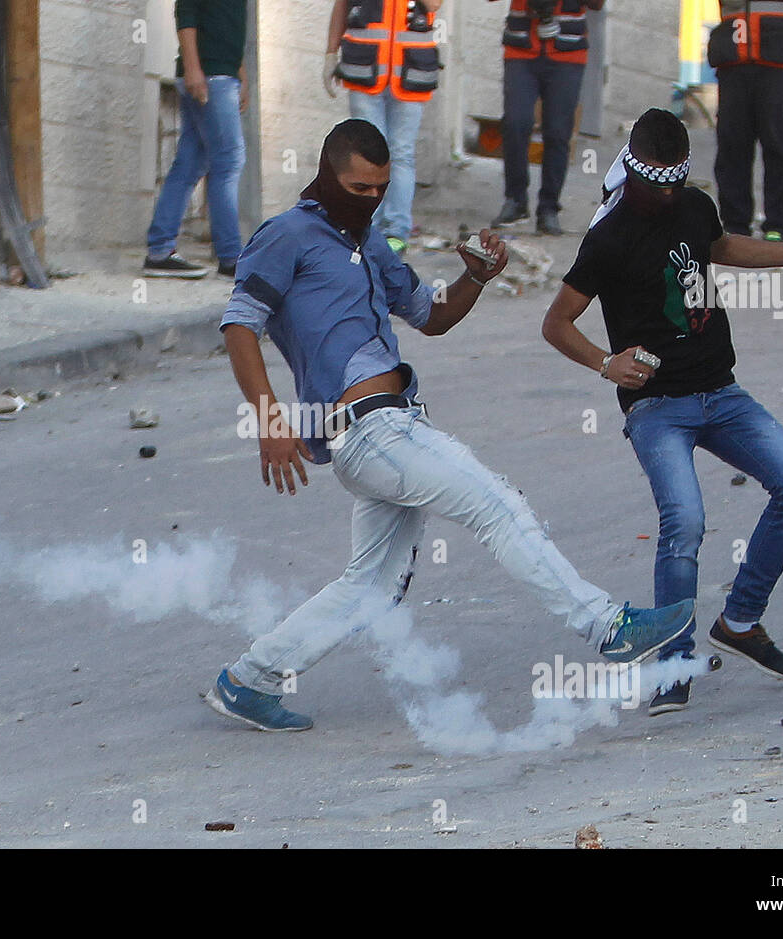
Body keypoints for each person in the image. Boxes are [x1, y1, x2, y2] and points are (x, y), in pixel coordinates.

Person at [205, 119, 696, 732]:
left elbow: (431, 317)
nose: (371, 199)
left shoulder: (369, 242)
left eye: (381, 188)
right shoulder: (286, 235)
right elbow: (239, 324)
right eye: (358, 187)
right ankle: (609, 627)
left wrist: (475, 276)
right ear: (326, 175)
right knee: (499, 506)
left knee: (373, 587)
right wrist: (269, 418)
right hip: (372, 432)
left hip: (389, 428)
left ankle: (249, 680)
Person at [542, 108, 783, 714]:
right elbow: (556, 322)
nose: (664, 195)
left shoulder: (692, 205)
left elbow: (722, 247)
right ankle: (672, 664)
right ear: (632, 170)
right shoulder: (607, 237)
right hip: (656, 406)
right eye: (653, 183)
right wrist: (606, 364)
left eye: (673, 182)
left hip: (721, 392)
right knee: (684, 522)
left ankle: (740, 622)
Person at [326, 0, 444, 257]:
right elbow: (342, 7)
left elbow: (434, 5)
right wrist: (329, 54)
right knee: (365, 156)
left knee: (400, 153)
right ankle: (364, 226)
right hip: (364, 70)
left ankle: (396, 231)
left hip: (410, 72)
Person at [143, 0, 249, 279]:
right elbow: (186, 10)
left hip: (221, 75)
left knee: (190, 163)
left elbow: (231, 23)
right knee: (228, 161)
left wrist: (241, 74)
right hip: (209, 76)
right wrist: (192, 69)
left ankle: (159, 251)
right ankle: (231, 258)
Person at [489, 0, 605, 236]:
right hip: (521, 48)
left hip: (568, 52)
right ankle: (515, 199)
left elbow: (597, 4)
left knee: (558, 132)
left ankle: (549, 208)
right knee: (515, 123)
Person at [709, 0, 783, 242]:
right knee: (732, 147)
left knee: (780, 147)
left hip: (780, 62)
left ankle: (778, 226)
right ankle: (735, 225)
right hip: (734, 62)